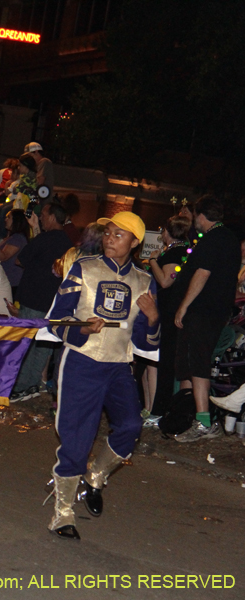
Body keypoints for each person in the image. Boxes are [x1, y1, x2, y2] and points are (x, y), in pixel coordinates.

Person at [44, 211, 159, 540]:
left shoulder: (144, 281)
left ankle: (95, 476)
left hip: (119, 366)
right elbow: (56, 319)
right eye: (108, 232)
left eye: (119, 235)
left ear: (134, 243)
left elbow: (145, 343)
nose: (110, 238)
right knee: (77, 440)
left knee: (131, 426)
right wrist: (81, 327)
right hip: (82, 363)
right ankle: (63, 513)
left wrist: (153, 319)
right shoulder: (83, 268)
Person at [173, 195, 240, 442]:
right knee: (188, 362)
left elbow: (202, 274)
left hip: (203, 311)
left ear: (201, 216)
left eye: (194, 217)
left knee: (198, 362)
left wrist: (183, 306)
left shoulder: (213, 239)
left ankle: (203, 422)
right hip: (215, 310)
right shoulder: (228, 238)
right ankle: (185, 415)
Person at [9, 202, 73, 401]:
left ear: (52, 217)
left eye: (43, 215)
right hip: (53, 303)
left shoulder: (45, 238)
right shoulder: (68, 243)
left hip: (33, 299)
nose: (41, 218)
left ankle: (20, 386)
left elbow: (21, 259)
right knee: (43, 346)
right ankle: (32, 384)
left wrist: (35, 232)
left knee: (27, 344)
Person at [141, 216, 189, 425]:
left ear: (168, 232)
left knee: (161, 362)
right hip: (160, 310)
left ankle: (158, 409)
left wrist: (152, 261)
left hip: (167, 313)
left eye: (163, 230)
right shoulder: (173, 251)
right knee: (149, 362)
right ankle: (148, 407)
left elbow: (165, 281)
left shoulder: (177, 252)